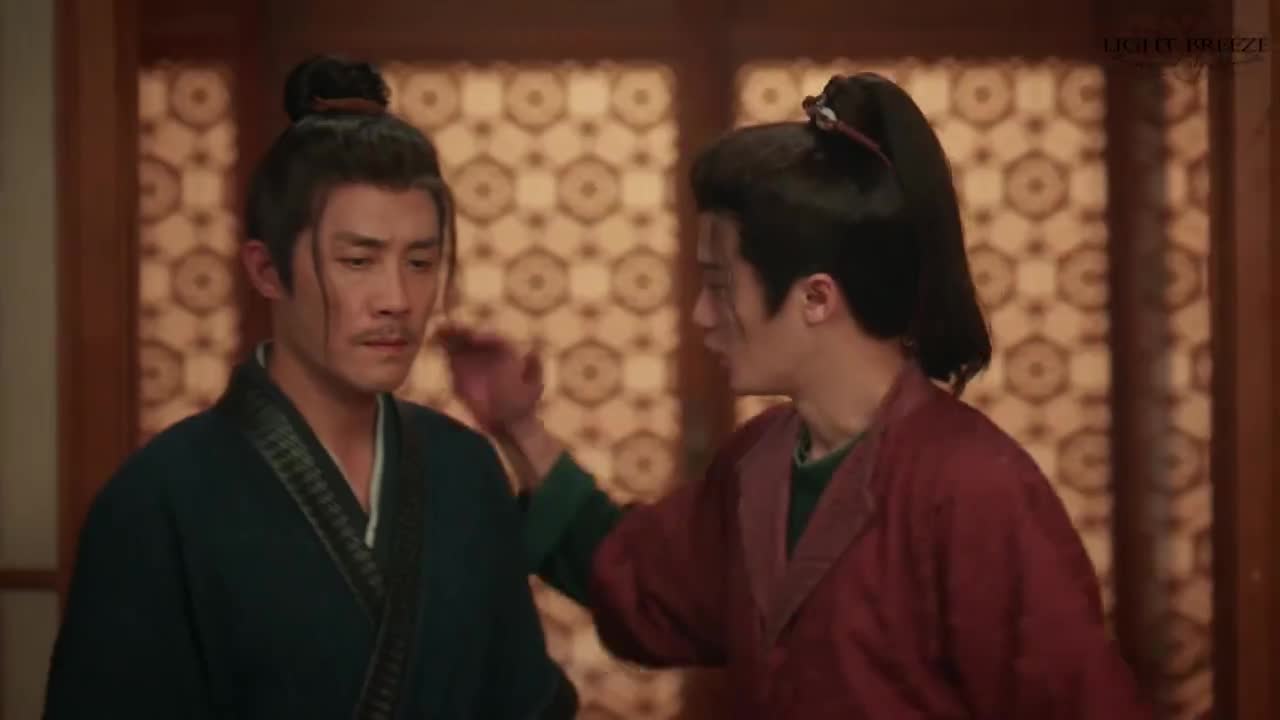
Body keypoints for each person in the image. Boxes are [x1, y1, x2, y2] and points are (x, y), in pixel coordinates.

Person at [439, 73, 1151, 718]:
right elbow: (644, 579)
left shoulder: (973, 485)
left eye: (720, 286)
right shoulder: (761, 460)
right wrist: (519, 426)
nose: (702, 316)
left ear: (816, 297)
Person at [44, 55, 577, 720]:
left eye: (421, 262)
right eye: (358, 261)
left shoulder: (463, 469)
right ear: (266, 269)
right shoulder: (160, 498)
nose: (397, 298)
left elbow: (520, 700)